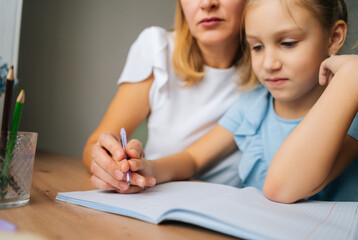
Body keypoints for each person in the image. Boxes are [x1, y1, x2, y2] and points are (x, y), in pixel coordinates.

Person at [113, 0, 358, 203]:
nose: (269, 64)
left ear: (334, 37)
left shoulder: (352, 110)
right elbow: (193, 159)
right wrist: (147, 168)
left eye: (288, 43)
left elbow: (282, 188)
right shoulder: (253, 104)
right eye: (257, 47)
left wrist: (350, 79)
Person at [84, 0, 252, 191]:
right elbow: (94, 146)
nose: (207, 3)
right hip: (152, 193)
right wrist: (111, 166)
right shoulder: (158, 49)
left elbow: (193, 160)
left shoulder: (270, 75)